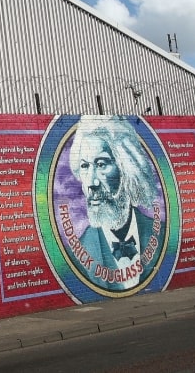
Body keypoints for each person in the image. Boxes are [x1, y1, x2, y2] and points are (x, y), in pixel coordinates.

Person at [66, 120, 160, 292]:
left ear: (128, 169)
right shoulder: (78, 254)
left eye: (101, 164)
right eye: (85, 166)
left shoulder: (159, 237)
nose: (92, 182)